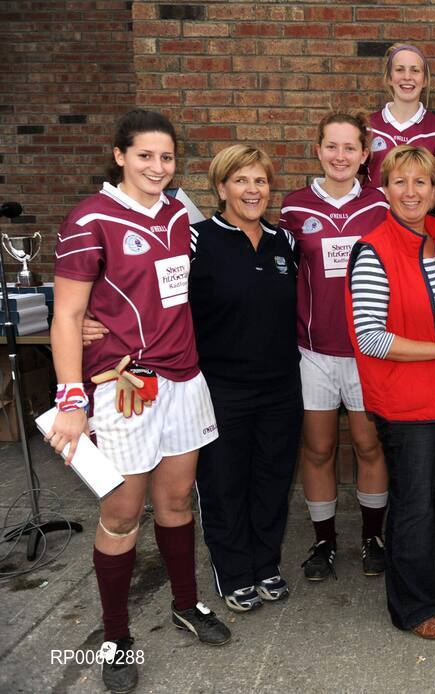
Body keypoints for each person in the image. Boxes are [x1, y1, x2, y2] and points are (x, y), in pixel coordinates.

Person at [48, 110, 230, 693]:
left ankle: (185, 603)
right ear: (120, 155)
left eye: (167, 157)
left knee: (176, 503)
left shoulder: (181, 212)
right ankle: (116, 636)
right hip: (121, 389)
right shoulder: (89, 219)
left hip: (182, 380)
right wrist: (72, 398)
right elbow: (68, 315)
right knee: (123, 514)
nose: (157, 167)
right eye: (146, 155)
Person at [346, 145, 435, 640]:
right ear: (384, 189)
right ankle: (410, 606)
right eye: (400, 182)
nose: (411, 192)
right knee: (412, 502)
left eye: (421, 183)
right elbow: (371, 337)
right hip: (406, 398)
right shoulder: (373, 248)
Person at [186, 145, 302, 612]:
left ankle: (265, 564)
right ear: (221, 188)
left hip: (280, 385)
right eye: (241, 181)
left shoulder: (285, 243)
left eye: (260, 181)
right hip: (221, 387)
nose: (252, 190)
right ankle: (234, 571)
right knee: (224, 481)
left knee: (273, 478)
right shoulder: (196, 241)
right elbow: (155, 294)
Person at [278, 113, 391, 581]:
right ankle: (324, 542)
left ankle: (372, 537)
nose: (341, 156)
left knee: (368, 446)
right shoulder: (293, 207)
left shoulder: (382, 204)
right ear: (318, 149)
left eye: (350, 148)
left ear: (365, 154)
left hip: (367, 349)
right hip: (314, 352)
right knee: (319, 449)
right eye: (332, 146)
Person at [366, 44, 435, 189]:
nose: (407, 77)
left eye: (415, 70)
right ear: (389, 78)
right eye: (399, 70)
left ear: (425, 80)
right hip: (375, 212)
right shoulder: (368, 125)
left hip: (418, 211)